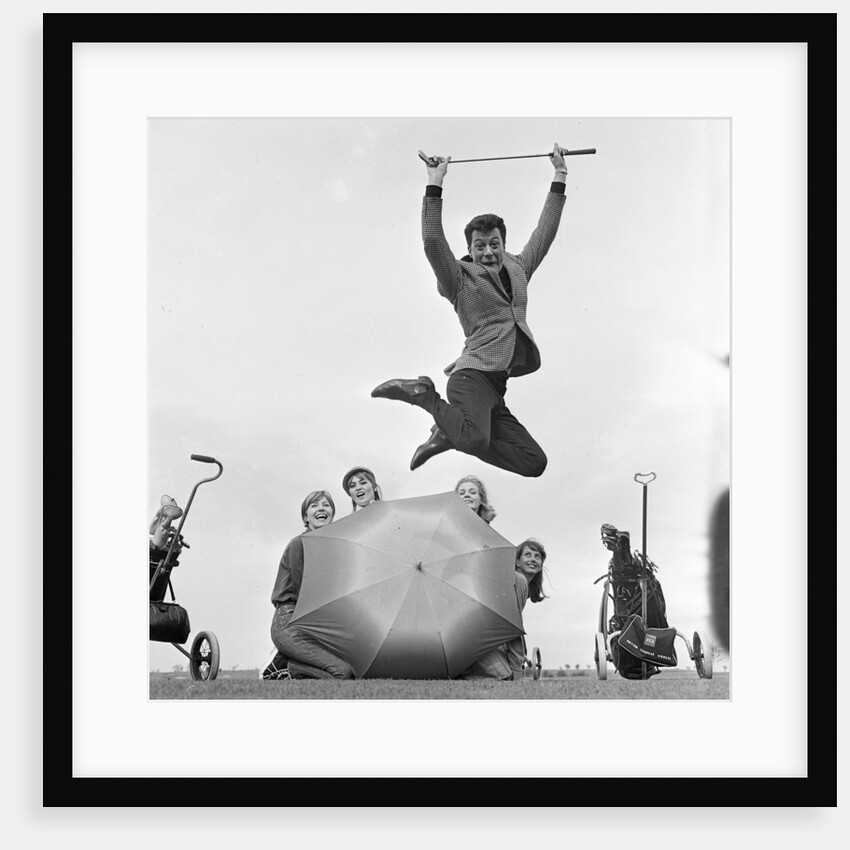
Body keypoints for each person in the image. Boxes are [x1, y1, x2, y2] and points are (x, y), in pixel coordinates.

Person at [371, 144, 569, 477]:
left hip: (495, 391)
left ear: (503, 244)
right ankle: (424, 395)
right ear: (470, 250)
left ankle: (452, 432)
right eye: (480, 246)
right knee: (475, 440)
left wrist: (560, 174)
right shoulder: (459, 279)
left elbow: (544, 233)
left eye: (494, 244)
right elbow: (433, 243)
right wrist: (435, 182)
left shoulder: (519, 267)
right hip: (470, 379)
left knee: (534, 462)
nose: (489, 251)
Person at [260, 490, 355, 681]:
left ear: (332, 514)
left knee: (352, 669)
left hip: (312, 622)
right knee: (341, 673)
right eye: (314, 505)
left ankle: (291, 664)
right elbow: (303, 592)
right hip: (289, 620)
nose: (321, 508)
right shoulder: (299, 544)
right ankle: (290, 667)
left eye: (326, 505)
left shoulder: (330, 549)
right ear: (306, 517)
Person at [504, 538, 549, 677]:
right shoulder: (519, 580)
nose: (533, 559)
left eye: (537, 557)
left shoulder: (524, 586)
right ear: (517, 562)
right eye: (528, 555)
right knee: (504, 674)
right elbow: (513, 624)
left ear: (541, 565)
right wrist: (517, 663)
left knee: (505, 672)